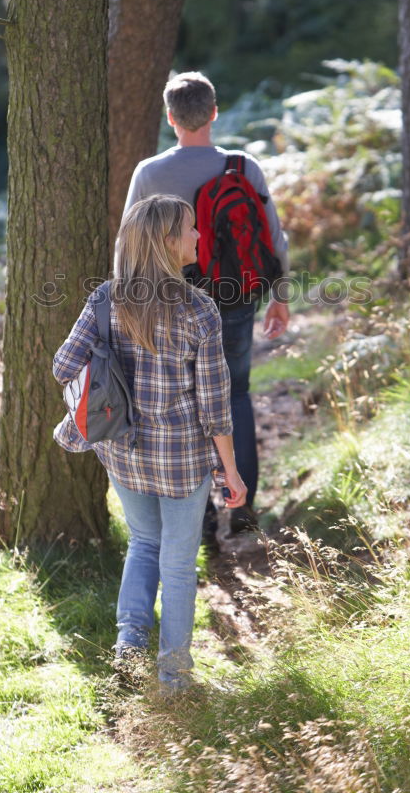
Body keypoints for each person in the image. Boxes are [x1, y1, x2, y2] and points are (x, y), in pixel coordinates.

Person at [53, 195, 247, 691]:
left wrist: (111, 377)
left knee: (144, 541)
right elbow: (215, 406)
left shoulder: (105, 299)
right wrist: (231, 470)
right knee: (178, 565)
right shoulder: (199, 310)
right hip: (181, 460)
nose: (199, 236)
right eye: (189, 229)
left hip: (121, 449)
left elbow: (63, 367)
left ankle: (129, 648)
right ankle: (175, 681)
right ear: (166, 241)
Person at [122, 71, 290, 540]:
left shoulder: (150, 173)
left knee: (183, 404)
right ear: (214, 113)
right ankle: (242, 507)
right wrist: (281, 295)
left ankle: (196, 520)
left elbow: (128, 246)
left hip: (170, 303)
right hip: (236, 298)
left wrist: (124, 306)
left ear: (170, 117)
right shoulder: (243, 167)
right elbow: (273, 236)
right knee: (234, 395)